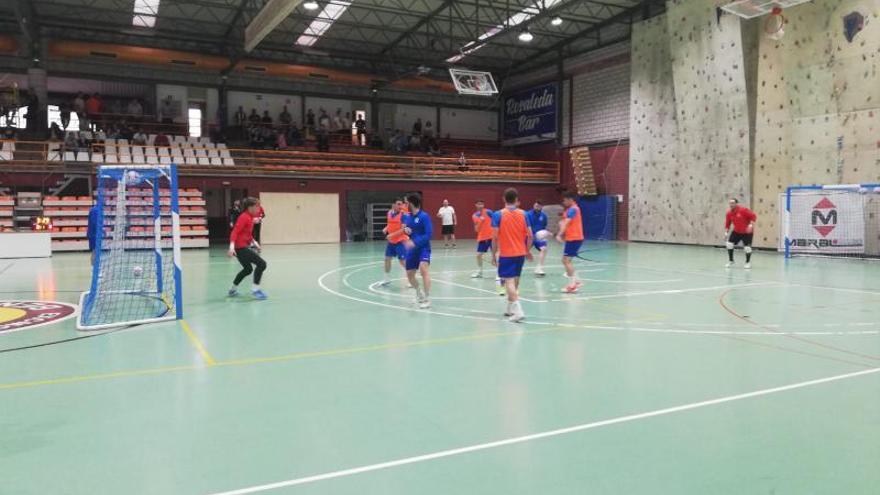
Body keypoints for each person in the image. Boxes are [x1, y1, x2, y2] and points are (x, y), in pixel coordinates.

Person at [491, 188, 533, 322]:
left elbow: (494, 238)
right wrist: (527, 250)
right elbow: (530, 235)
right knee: (515, 282)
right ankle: (510, 309)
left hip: (506, 254)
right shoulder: (524, 214)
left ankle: (518, 311)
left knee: (509, 282)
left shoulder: (498, 215)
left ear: (504, 199)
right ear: (516, 199)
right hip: (520, 253)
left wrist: (493, 254)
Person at [227, 197, 268, 300]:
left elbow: (248, 235)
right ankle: (255, 290)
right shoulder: (244, 217)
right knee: (262, 264)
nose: (259, 209)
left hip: (242, 248)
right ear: (250, 207)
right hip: (240, 248)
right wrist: (231, 247)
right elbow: (235, 232)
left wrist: (255, 243)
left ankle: (232, 290)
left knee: (248, 269)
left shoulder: (249, 218)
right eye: (257, 207)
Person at [401, 193, 432, 309]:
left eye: (406, 202)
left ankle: (427, 298)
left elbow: (428, 234)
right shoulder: (408, 217)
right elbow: (407, 230)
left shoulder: (424, 216)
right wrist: (406, 230)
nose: (405, 204)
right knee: (410, 275)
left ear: (411, 203)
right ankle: (419, 293)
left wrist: (414, 242)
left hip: (423, 247)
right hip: (412, 250)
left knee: (424, 269)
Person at [556, 191, 584, 293]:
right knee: (566, 261)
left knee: (566, 261)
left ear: (570, 199)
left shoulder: (573, 209)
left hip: (574, 238)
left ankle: (573, 285)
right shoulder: (570, 210)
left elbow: (567, 223)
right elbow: (564, 221)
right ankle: (577, 281)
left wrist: (559, 234)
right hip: (572, 238)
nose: (563, 202)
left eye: (564, 200)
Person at [379, 198, 409, 286]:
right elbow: (390, 223)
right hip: (391, 241)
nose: (401, 206)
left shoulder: (403, 215)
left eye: (401, 204)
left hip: (401, 240)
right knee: (387, 259)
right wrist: (386, 228)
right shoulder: (389, 213)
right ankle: (386, 279)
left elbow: (403, 229)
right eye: (398, 204)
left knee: (402, 261)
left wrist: (391, 235)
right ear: (393, 205)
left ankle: (411, 278)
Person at [725, 198, 757, 269]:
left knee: (747, 248)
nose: (731, 204)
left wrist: (751, 225)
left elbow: (753, 216)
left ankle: (747, 262)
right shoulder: (729, 213)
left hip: (747, 232)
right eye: (730, 203)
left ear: (736, 203)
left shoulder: (743, 210)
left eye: (733, 203)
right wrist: (726, 232)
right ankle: (731, 260)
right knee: (729, 244)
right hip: (736, 231)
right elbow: (728, 223)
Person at [525, 200, 549, 276]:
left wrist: (544, 234)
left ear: (541, 207)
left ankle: (539, 268)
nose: (536, 207)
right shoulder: (528, 214)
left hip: (539, 237)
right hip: (529, 236)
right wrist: (532, 235)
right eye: (535, 206)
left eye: (538, 206)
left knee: (544, 249)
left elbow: (544, 227)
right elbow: (527, 227)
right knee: (521, 253)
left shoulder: (544, 216)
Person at [86, 202, 101, 266]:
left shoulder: (97, 209)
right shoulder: (95, 210)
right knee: (95, 251)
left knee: (96, 251)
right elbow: (94, 223)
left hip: (95, 234)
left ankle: (95, 268)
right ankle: (94, 269)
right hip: (93, 234)